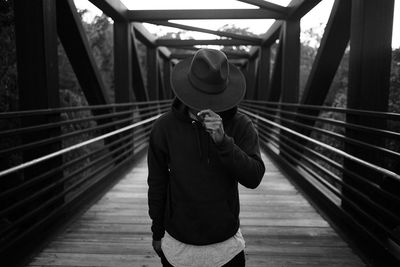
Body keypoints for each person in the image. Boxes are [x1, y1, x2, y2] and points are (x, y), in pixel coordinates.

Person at [147, 48, 265, 267]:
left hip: (226, 246)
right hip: (177, 246)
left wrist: (223, 142)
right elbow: (157, 183)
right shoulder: (165, 128)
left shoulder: (240, 124)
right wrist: (157, 231)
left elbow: (254, 177)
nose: (207, 102)